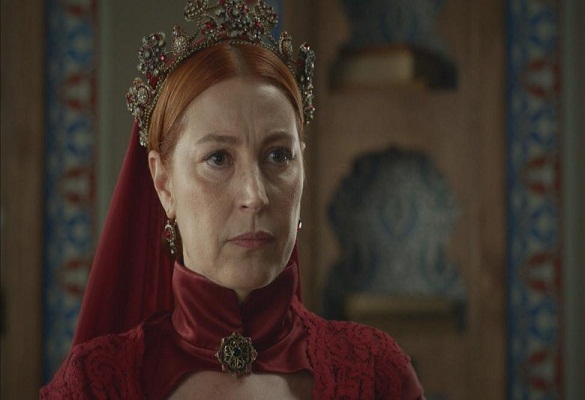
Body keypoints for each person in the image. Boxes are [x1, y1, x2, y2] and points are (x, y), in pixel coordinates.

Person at [40, 1, 426, 398]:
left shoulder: (378, 374)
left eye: (279, 155)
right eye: (218, 159)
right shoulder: (92, 385)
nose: (255, 196)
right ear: (164, 183)